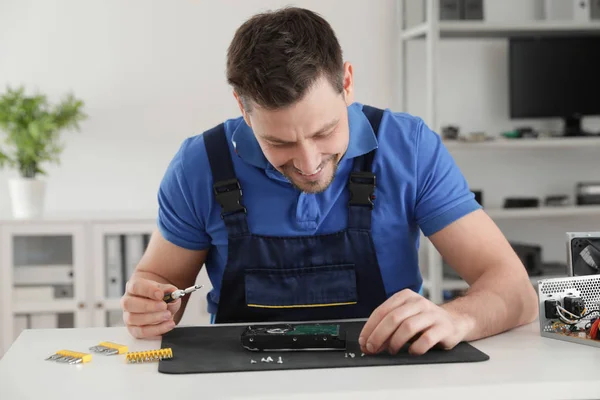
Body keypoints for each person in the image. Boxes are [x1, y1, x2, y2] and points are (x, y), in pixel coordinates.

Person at [121, 6, 538, 356]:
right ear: (243, 110)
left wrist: (455, 316)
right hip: (240, 385)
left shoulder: (407, 147)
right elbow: (159, 282)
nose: (308, 162)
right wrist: (151, 306)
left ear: (348, 82)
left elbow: (515, 292)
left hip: (387, 382)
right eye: (279, 141)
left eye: (324, 132)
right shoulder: (200, 165)